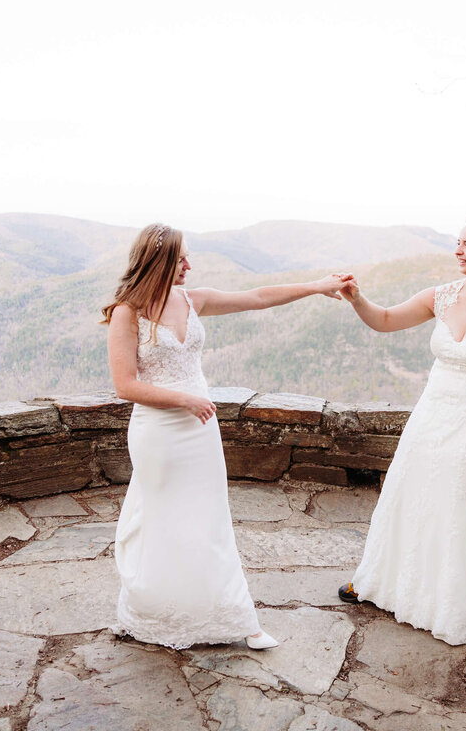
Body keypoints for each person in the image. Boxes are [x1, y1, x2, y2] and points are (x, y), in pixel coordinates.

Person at [101, 223, 349, 650]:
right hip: (159, 432)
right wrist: (182, 400)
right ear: (157, 261)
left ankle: (240, 619)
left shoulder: (191, 300)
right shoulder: (128, 313)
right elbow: (125, 385)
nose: (188, 266)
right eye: (180, 259)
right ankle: (152, 609)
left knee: (210, 520)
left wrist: (316, 286)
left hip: (199, 429)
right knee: (163, 520)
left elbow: (257, 297)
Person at [336, 215, 466, 645]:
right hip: (433, 414)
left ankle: (450, 605)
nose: (458, 250)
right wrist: (357, 298)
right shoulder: (441, 296)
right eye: (457, 242)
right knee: (411, 493)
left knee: (463, 508)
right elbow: (387, 319)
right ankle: (385, 583)